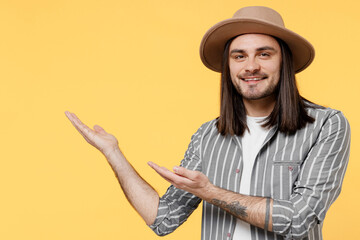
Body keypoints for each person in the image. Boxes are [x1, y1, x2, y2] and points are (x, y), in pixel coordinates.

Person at [65, 6, 350, 240]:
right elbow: (163, 219)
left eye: (264, 54)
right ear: (229, 67)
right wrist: (113, 152)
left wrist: (209, 192)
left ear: (283, 62)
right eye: (239, 56)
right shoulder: (208, 135)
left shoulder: (326, 125)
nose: (250, 66)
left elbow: (300, 220)